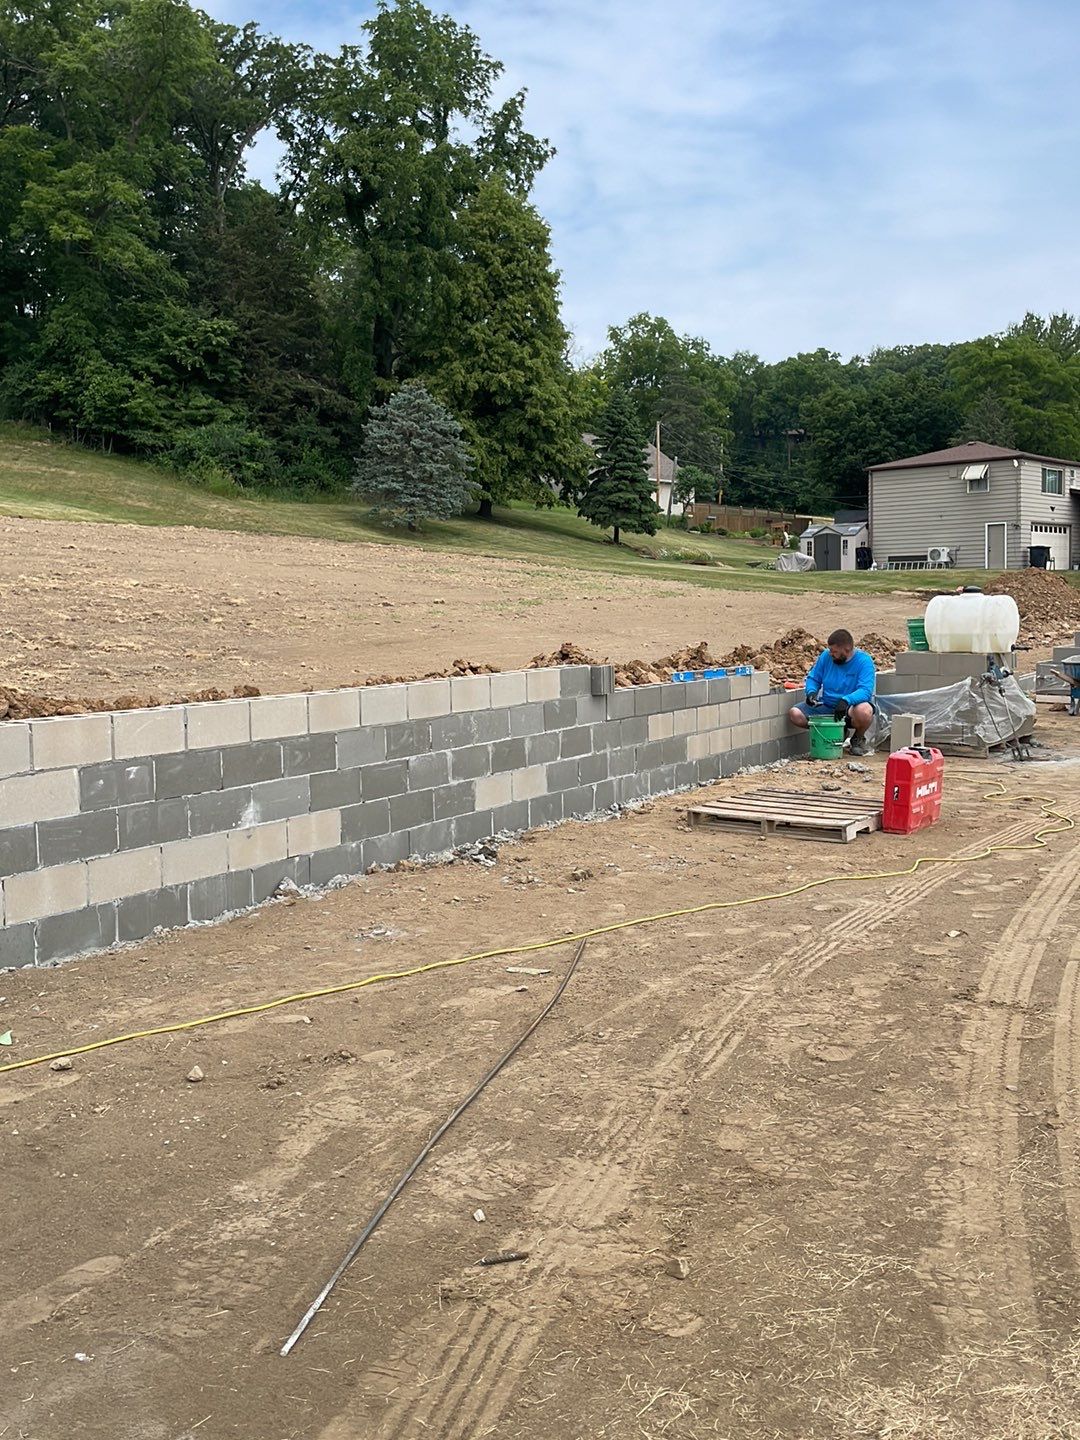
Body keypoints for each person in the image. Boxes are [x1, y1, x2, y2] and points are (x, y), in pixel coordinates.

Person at [789, 628, 876, 756]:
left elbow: (865, 691)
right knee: (795, 714)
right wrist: (811, 692)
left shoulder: (864, 661)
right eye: (830, 650)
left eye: (834, 651)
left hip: (849, 709)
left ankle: (857, 739)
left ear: (846, 650)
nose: (830, 654)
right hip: (827, 705)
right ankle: (836, 732)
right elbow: (813, 678)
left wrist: (846, 700)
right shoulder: (826, 656)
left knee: (864, 711)